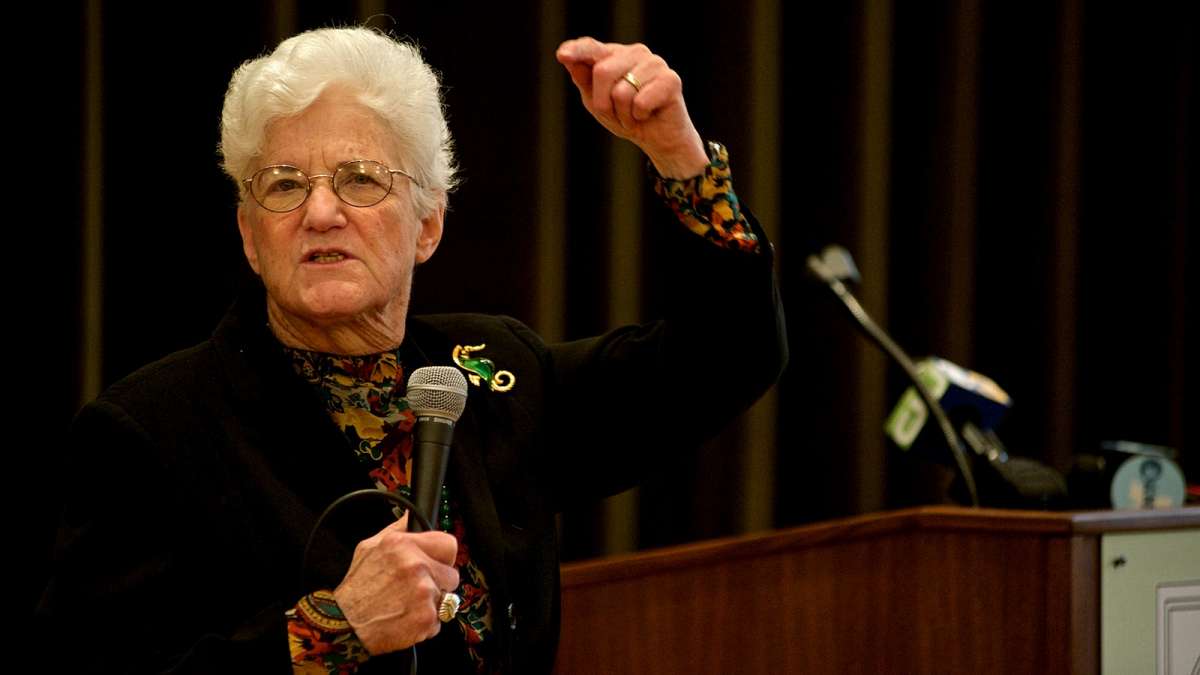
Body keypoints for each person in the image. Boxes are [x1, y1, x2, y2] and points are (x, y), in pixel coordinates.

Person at [38, 26, 787, 673]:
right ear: (249, 234)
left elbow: (729, 353)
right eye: (284, 184)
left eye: (361, 179)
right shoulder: (150, 432)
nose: (321, 211)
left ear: (427, 225)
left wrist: (677, 155)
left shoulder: (498, 372)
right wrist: (329, 629)